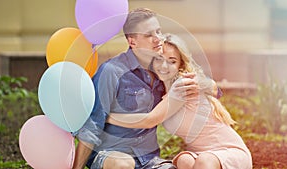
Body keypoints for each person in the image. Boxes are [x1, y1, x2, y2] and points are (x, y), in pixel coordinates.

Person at [72, 8, 198, 169]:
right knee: (124, 164)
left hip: (148, 160)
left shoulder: (163, 71)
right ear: (132, 42)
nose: (157, 39)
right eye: (148, 35)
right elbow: (91, 127)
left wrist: (204, 86)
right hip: (110, 155)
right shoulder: (112, 71)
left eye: (158, 31)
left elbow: (205, 84)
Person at [107, 33, 253, 169]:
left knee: (204, 161)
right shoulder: (159, 92)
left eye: (172, 61)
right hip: (199, 153)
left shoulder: (182, 85)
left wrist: (107, 117)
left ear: (180, 65)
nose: (164, 66)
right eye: (159, 59)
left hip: (228, 150)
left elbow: (149, 120)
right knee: (184, 161)